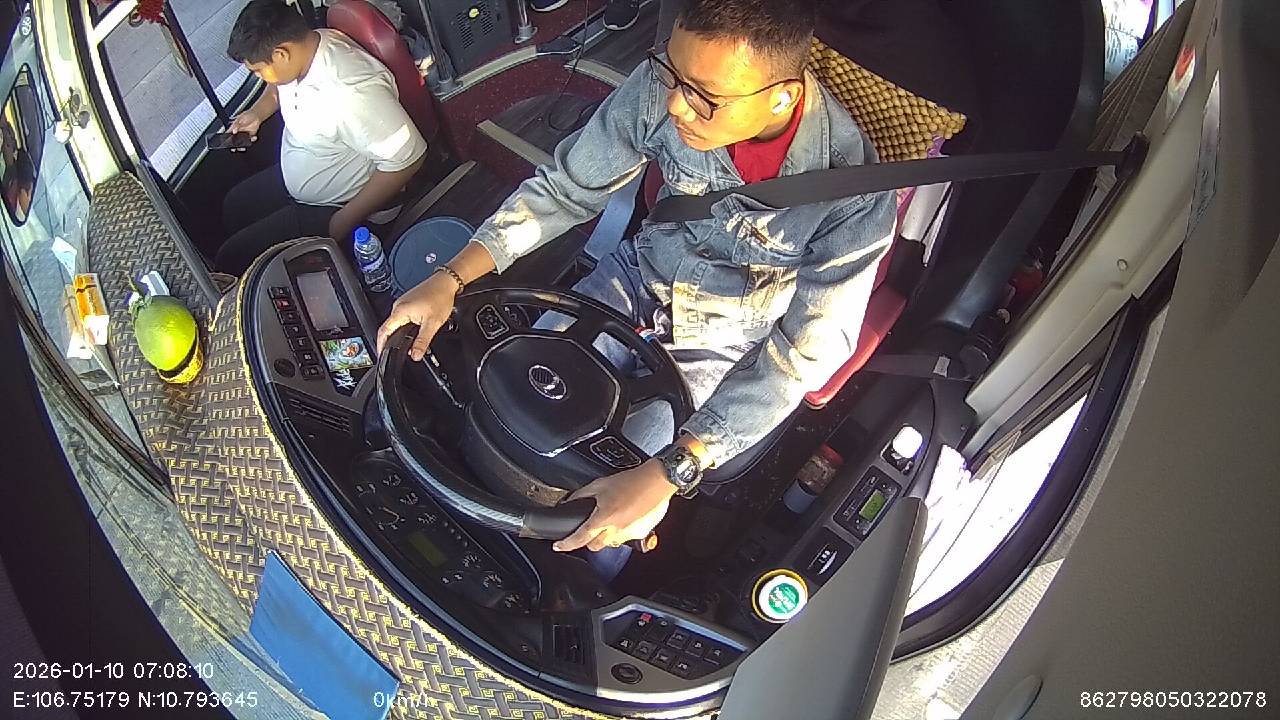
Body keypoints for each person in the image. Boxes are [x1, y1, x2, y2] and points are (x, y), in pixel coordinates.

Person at [378, 0, 894, 560]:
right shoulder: (664, 84)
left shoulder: (855, 198)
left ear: (782, 97)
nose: (675, 104)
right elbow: (567, 188)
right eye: (672, 72)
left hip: (722, 347)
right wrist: (451, 277)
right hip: (632, 278)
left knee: (598, 524)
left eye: (704, 97)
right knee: (501, 402)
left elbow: (800, 356)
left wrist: (673, 470)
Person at [215, 0, 427, 274]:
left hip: (336, 206)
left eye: (257, 71)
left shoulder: (349, 92)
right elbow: (277, 86)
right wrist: (257, 113)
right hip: (307, 172)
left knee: (231, 258)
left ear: (281, 54)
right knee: (234, 206)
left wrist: (341, 222)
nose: (260, 77)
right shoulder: (307, 47)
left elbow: (409, 158)